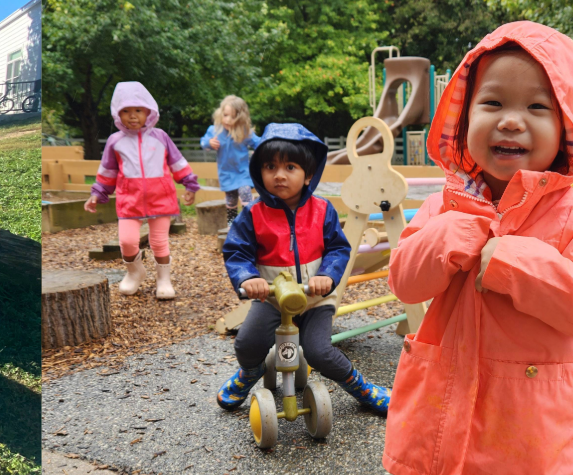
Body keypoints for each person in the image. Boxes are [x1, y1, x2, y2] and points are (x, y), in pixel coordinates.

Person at [383, 21, 573, 475]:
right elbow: (404, 284)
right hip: (439, 419)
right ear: (463, 118)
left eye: (537, 106)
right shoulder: (443, 206)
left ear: (566, 129)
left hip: (529, 436)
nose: (511, 120)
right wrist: (443, 237)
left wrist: (519, 263)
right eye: (492, 103)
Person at [212, 123, 389, 414]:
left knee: (320, 352)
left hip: (315, 298)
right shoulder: (253, 214)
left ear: (308, 175)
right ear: (259, 171)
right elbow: (237, 251)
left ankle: (362, 388)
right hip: (272, 298)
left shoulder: (323, 210)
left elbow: (338, 249)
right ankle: (250, 371)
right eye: (270, 166)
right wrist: (248, 278)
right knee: (247, 343)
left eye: (290, 167)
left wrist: (326, 275)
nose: (279, 175)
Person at [85, 82, 199, 299]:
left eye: (138, 110)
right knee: (127, 242)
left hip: (161, 198)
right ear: (118, 114)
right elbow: (108, 171)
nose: (132, 115)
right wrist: (97, 193)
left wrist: (189, 184)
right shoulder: (115, 141)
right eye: (126, 111)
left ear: (149, 111)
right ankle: (135, 272)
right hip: (130, 200)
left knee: (159, 242)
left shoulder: (160, 137)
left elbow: (177, 163)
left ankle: (163, 279)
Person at [202, 95, 262, 224]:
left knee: (245, 192)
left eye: (233, 117)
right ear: (220, 113)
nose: (228, 120)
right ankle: (232, 224)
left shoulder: (244, 131)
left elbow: (259, 143)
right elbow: (203, 142)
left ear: (240, 118)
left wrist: (261, 151)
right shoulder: (215, 130)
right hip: (226, 173)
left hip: (243, 172)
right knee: (231, 198)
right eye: (225, 115)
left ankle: (248, 222)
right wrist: (209, 142)